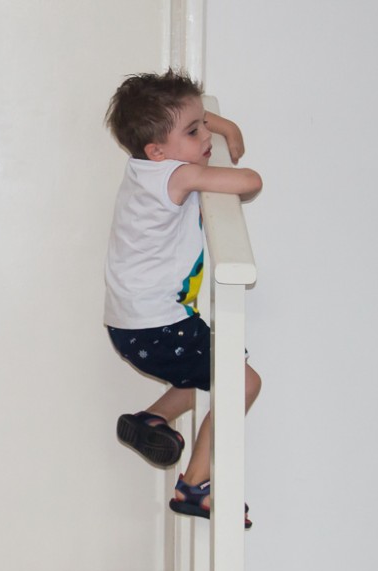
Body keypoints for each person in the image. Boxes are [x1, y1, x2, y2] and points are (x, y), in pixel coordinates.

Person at [103, 70, 262, 527]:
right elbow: (249, 182)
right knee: (241, 382)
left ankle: (151, 420)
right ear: (158, 150)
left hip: (133, 324)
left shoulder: (144, 168)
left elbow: (189, 123)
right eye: (194, 132)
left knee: (206, 373)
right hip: (158, 323)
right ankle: (194, 485)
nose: (206, 136)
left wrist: (222, 126)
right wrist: (229, 142)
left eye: (204, 124)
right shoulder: (177, 175)